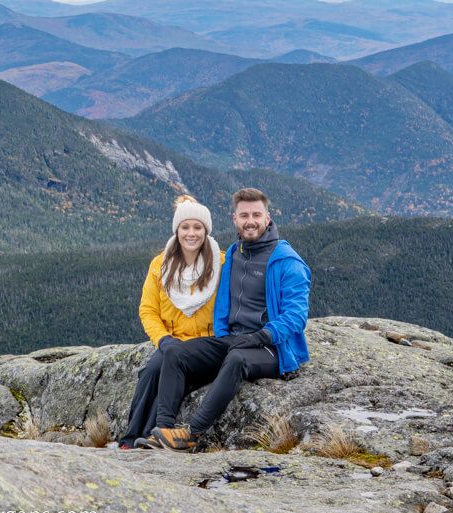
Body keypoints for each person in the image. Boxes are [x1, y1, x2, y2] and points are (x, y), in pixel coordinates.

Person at [138, 187, 311, 452]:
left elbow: (296, 316)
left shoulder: (287, 261)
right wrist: (221, 333)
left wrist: (262, 335)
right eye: (244, 215)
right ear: (235, 219)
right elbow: (222, 303)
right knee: (176, 354)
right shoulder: (233, 254)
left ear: (268, 217)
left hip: (270, 347)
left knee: (237, 359)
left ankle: (191, 434)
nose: (250, 221)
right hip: (233, 339)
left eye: (256, 214)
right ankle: (164, 431)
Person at [119, 194, 223, 450]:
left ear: (206, 230)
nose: (191, 233)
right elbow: (148, 310)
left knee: (167, 368)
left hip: (207, 345)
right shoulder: (160, 265)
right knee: (151, 371)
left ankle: (155, 436)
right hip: (173, 343)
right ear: (177, 230)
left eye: (197, 227)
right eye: (185, 227)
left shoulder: (221, 263)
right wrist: (163, 340)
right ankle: (132, 438)